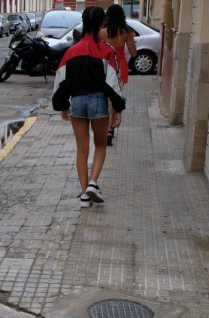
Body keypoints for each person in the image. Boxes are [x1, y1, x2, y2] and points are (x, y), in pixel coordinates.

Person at [52, 6, 125, 208]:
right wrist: (117, 109)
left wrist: (62, 105)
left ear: (84, 23)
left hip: (77, 102)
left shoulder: (71, 51)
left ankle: (85, 195)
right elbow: (114, 82)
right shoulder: (106, 51)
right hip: (98, 101)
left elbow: (61, 81)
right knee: (100, 145)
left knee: (82, 150)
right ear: (102, 24)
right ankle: (93, 182)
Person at [102, 4, 136, 145]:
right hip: (120, 66)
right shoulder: (126, 32)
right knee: (115, 96)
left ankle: (107, 129)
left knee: (107, 99)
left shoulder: (102, 33)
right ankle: (111, 128)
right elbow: (134, 53)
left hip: (106, 66)